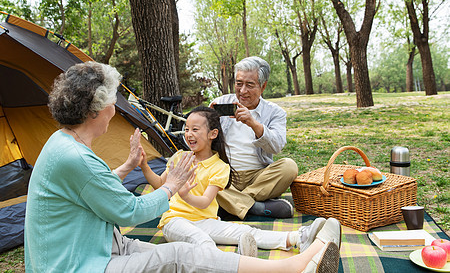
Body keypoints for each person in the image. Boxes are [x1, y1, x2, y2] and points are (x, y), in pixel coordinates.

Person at [24, 61, 340, 273]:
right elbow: (128, 211)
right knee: (181, 254)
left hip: (93, 245)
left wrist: (127, 167)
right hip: (75, 264)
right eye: (113, 101)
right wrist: (173, 185)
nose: (115, 108)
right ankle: (292, 267)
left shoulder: (63, 142)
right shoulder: (75, 156)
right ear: (99, 109)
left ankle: (279, 258)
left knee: (174, 249)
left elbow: (90, 186)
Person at [142, 106, 339, 258]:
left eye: (195, 129)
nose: (189, 134)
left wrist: (185, 193)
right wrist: (144, 166)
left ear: (213, 134)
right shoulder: (179, 157)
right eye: (186, 129)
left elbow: (204, 202)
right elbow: (160, 184)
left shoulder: (219, 167)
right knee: (202, 241)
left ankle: (297, 238)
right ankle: (233, 263)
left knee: (245, 232)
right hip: (174, 221)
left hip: (205, 220)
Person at [210, 56, 298, 219]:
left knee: (289, 167)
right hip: (225, 175)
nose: (242, 91)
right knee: (198, 173)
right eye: (239, 83)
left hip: (259, 177)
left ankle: (231, 204)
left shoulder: (275, 112)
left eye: (249, 85)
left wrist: (253, 123)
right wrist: (205, 123)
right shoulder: (220, 103)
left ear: (262, 86)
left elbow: (277, 146)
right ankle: (254, 207)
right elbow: (194, 140)